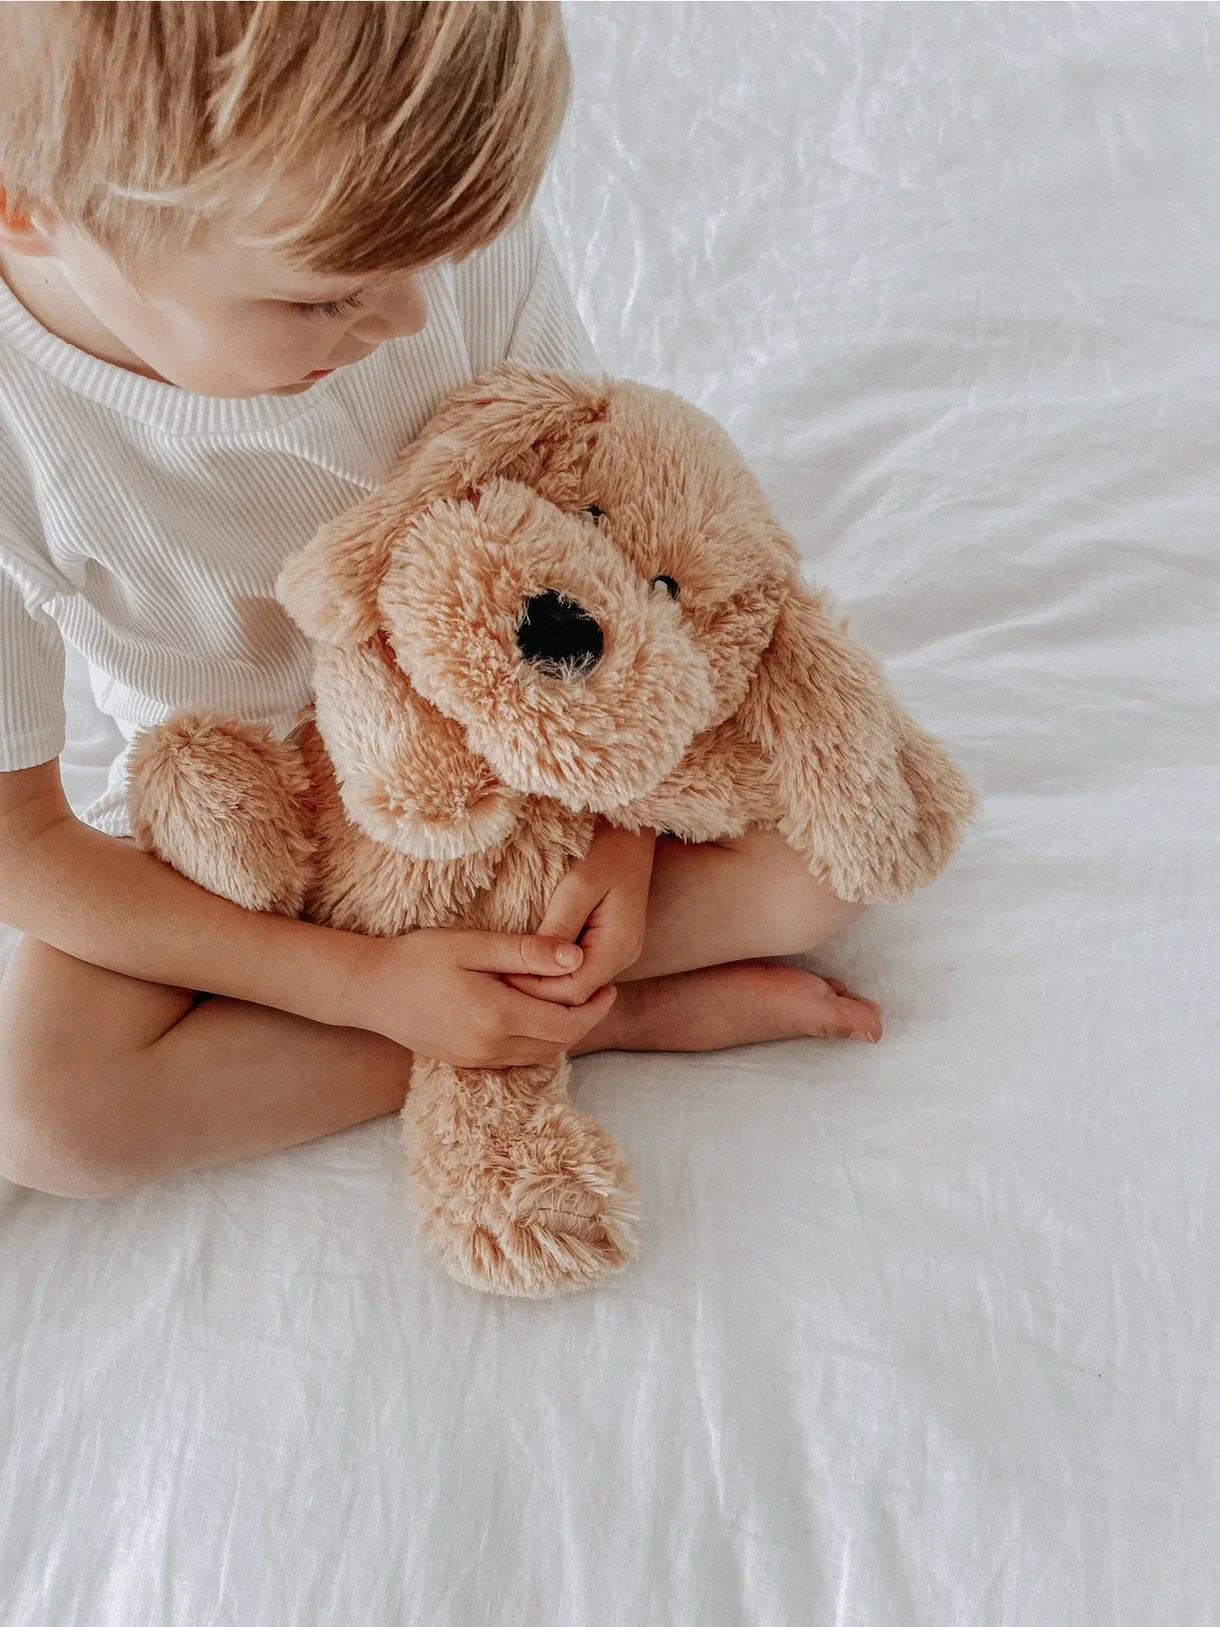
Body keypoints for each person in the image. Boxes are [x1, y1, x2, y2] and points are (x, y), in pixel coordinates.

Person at [0, 1, 879, 1201]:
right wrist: (357, 987)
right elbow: (22, 841)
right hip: (244, 814)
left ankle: (521, 1003)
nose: (411, 316)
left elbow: (598, 522)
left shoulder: (418, 224)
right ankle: (592, 1017)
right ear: (30, 207)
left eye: (438, 258)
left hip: (531, 740)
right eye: (324, 298)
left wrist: (618, 829)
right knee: (51, 1116)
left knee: (826, 857)